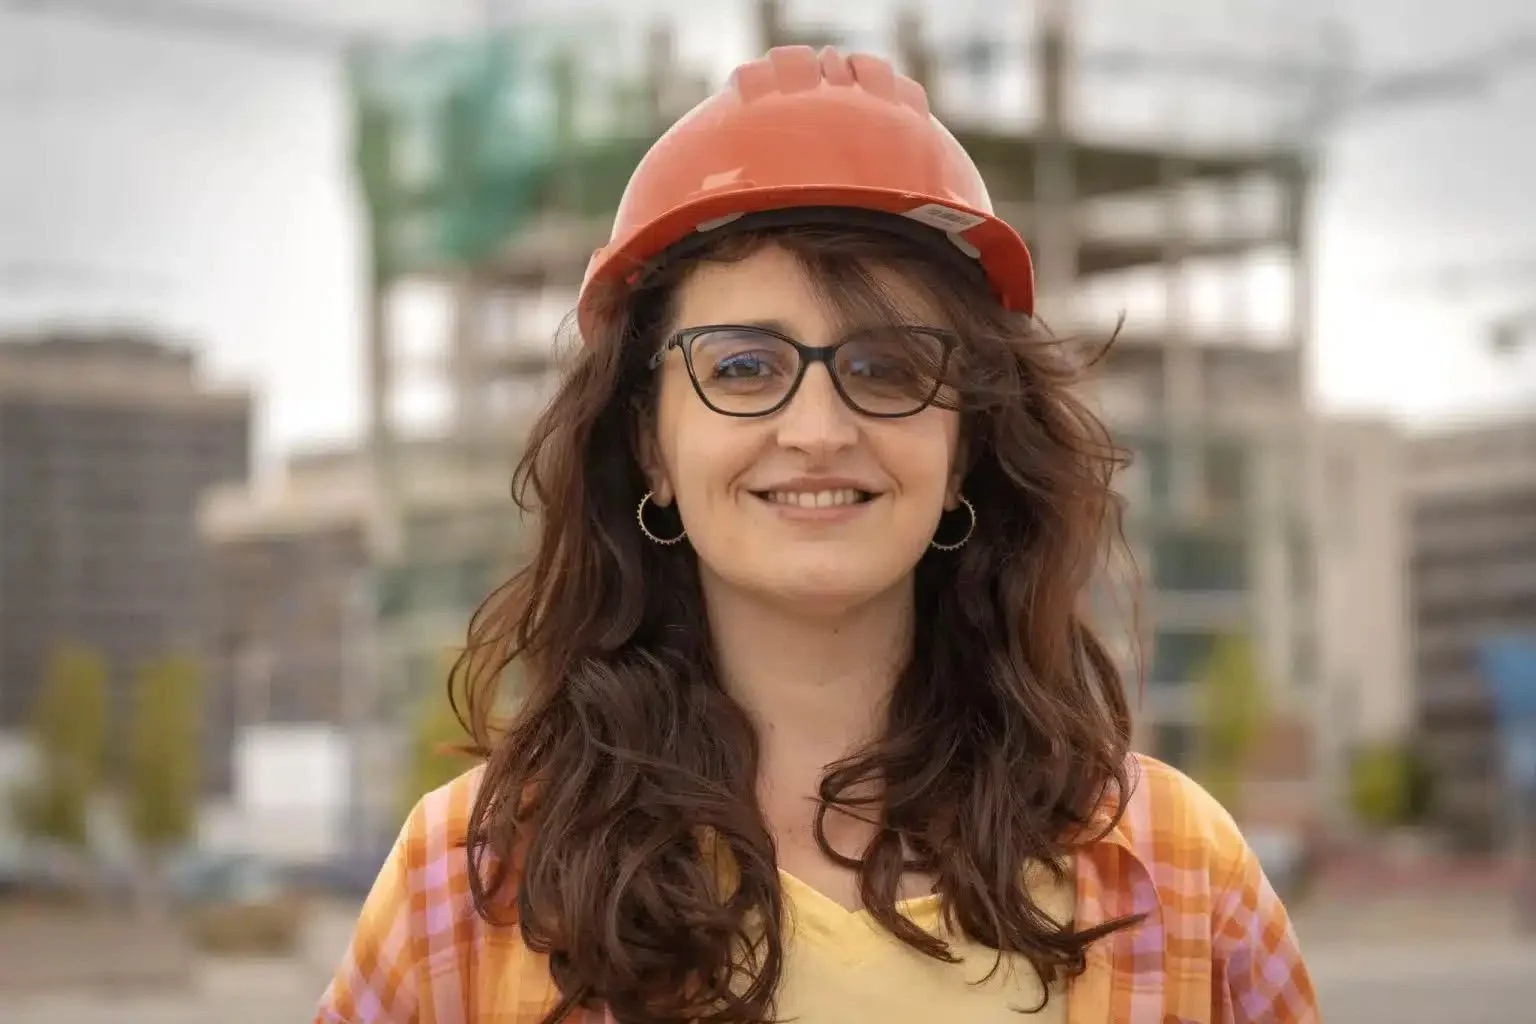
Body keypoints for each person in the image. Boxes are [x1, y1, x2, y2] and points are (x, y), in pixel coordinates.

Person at [315, 44, 1317, 1024]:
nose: (819, 429)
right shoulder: (468, 887)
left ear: (966, 444)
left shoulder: (1182, 876)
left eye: (888, 368)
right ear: (650, 445)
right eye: (743, 368)